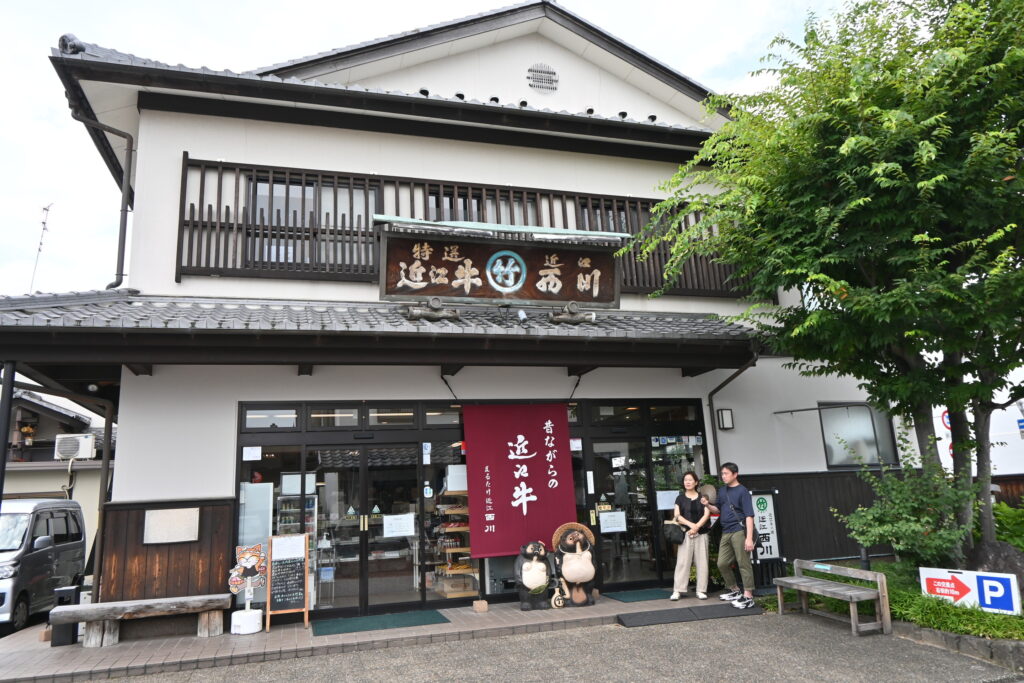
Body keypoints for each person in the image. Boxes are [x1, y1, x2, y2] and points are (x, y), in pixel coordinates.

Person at [702, 462, 756, 609]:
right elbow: (716, 509)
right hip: (726, 531)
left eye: (726, 473)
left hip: (739, 530)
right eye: (722, 474)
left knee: (743, 563)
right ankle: (735, 590)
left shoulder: (742, 491)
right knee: (722, 563)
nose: (723, 476)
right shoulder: (722, 490)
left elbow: (749, 516)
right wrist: (707, 504)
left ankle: (748, 596)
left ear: (735, 474)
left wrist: (749, 538)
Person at [670, 471, 710, 600]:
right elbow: (677, 516)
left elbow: (706, 513)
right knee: (682, 563)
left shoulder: (703, 496)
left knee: (702, 563)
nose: (687, 482)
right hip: (686, 534)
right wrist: (692, 526)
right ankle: (677, 590)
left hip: (701, 534)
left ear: (696, 482)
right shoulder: (680, 498)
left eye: (690, 480)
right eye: (685, 480)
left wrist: (697, 527)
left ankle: (701, 590)